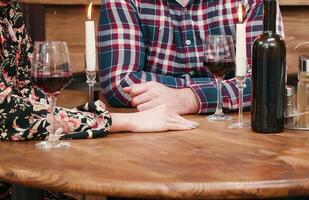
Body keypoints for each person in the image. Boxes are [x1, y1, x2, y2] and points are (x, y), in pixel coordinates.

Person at [0, 0, 197, 198]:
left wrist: (189, 96)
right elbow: (6, 112)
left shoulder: (8, 8)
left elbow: (29, 95)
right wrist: (120, 121)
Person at [98, 0, 283, 115]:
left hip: (237, 138)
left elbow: (267, 83)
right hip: (151, 137)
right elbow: (120, 83)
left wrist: (188, 98)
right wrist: (223, 88)